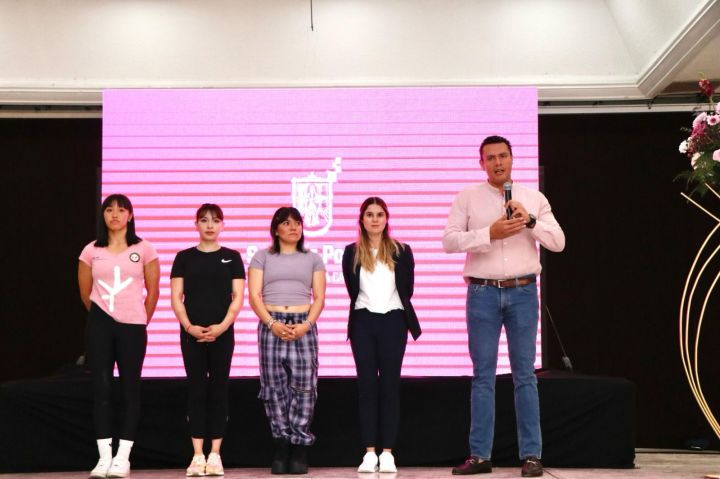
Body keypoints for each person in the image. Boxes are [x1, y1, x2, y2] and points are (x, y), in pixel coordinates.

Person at [443, 136, 565, 477]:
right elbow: (449, 241)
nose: (498, 163)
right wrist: (489, 233)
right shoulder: (467, 197)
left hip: (523, 292)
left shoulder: (533, 198)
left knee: (524, 375)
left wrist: (530, 222)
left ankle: (532, 456)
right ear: (481, 163)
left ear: (512, 158)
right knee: (483, 375)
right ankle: (480, 456)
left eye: (503, 156)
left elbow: (558, 242)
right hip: (482, 293)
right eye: (491, 158)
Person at [78, 194, 160, 478]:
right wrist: (105, 315)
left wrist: (138, 318)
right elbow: (85, 293)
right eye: (109, 210)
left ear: (130, 216)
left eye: (121, 210)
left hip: (133, 326)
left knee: (129, 389)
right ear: (103, 215)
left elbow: (153, 291)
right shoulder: (91, 250)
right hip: (100, 324)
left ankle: (122, 458)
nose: (115, 214)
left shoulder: (144, 249)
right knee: (101, 389)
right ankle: (104, 458)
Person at [341, 197, 421, 474]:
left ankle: (387, 452)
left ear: (387, 219)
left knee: (389, 385)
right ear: (361, 220)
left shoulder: (402, 250)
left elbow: (407, 288)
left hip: (394, 321)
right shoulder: (351, 252)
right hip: (363, 322)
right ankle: (369, 452)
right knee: (367, 387)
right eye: (369, 215)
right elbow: (352, 288)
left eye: (379, 214)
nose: (374, 219)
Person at [248, 206, 326, 475]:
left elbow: (319, 298)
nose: (294, 228)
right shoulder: (262, 257)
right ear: (276, 229)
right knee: (273, 388)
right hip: (271, 324)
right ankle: (281, 443)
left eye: (297, 223)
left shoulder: (313, 258)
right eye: (287, 223)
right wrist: (272, 324)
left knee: (305, 388)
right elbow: (254, 296)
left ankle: (299, 445)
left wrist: (306, 325)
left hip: (303, 324)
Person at [170, 204, 245, 477]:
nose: (210, 225)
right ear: (196, 224)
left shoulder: (232, 257)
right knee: (197, 389)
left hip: (223, 334)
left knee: (219, 389)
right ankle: (197, 455)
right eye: (204, 220)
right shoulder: (184, 257)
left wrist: (222, 327)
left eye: (215, 220)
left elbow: (238, 298)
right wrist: (189, 327)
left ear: (223, 224)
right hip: (191, 334)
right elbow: (176, 298)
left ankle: (215, 454)